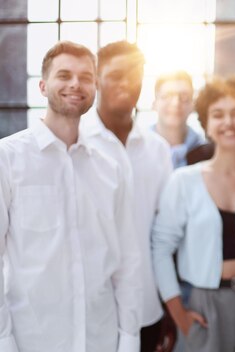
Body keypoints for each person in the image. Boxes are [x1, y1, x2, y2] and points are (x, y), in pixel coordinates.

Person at [0, 41, 141, 351]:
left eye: (86, 77)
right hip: (30, 340)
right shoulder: (6, 159)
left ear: (95, 87)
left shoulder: (111, 168)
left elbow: (128, 261)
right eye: (64, 75)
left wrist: (129, 341)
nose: (76, 84)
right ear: (42, 85)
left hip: (101, 339)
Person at [152, 76, 235, 351]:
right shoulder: (183, 181)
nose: (228, 123)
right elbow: (160, 248)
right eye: (218, 115)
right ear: (206, 123)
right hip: (204, 306)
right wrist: (178, 313)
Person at [81, 40, 173, 352]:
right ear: (96, 80)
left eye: (134, 75)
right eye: (115, 75)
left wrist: (168, 307)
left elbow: (165, 233)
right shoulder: (74, 144)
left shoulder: (158, 149)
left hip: (146, 305)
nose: (126, 83)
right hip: (87, 307)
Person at [152, 70, 205, 169]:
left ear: (192, 105)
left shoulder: (205, 151)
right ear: (154, 104)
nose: (176, 103)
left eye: (184, 97)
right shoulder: (137, 148)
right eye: (167, 96)